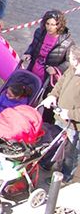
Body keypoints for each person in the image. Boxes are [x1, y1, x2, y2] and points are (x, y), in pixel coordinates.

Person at [42, 44, 80, 182]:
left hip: (75, 126)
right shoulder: (72, 69)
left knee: (72, 152)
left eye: (70, 58)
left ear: (77, 60)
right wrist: (52, 95)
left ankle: (65, 177)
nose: (69, 60)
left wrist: (69, 114)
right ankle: (47, 163)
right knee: (55, 140)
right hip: (61, 117)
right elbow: (61, 82)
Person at [22, 10, 72, 83]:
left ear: (59, 25)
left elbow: (68, 62)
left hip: (47, 79)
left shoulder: (67, 42)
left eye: (53, 25)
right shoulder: (39, 33)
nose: (49, 27)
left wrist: (56, 69)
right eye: (47, 24)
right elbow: (33, 46)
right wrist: (28, 53)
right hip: (33, 71)